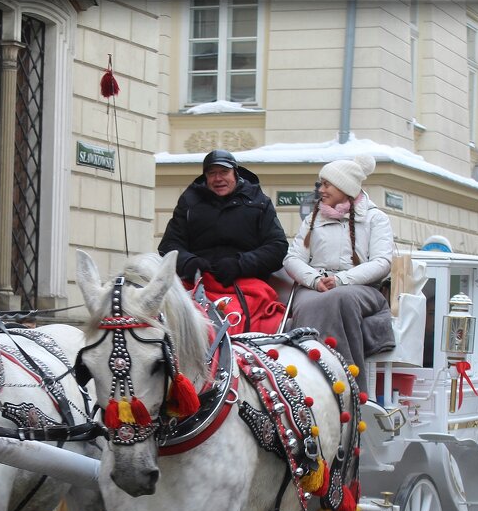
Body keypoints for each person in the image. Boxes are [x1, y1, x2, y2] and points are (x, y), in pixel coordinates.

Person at [283, 154, 395, 383]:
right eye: (320, 184)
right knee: (308, 302)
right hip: (315, 285)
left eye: (326, 184)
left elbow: (382, 262)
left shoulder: (376, 218)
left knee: (340, 298)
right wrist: (314, 280)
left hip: (361, 288)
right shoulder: (313, 218)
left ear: (345, 186)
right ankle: (304, 376)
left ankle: (344, 377)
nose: (321, 190)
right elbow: (292, 258)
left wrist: (342, 280)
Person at [158, 149, 289, 334]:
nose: (218, 178)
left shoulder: (259, 202)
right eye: (212, 173)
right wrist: (189, 262)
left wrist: (241, 264)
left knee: (232, 321)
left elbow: (277, 247)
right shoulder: (189, 202)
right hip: (196, 282)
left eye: (224, 172)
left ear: (235, 172)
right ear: (205, 177)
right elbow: (169, 245)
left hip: (245, 283)